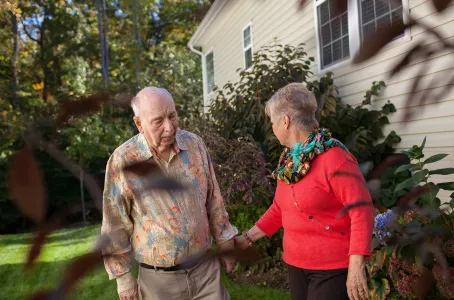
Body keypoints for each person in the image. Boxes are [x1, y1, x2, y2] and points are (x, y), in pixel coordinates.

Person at [234, 83, 374, 300]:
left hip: (332, 268)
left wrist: (356, 266)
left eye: (272, 122)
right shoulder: (291, 161)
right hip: (296, 264)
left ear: (285, 121)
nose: (272, 128)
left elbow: (361, 211)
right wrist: (248, 238)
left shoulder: (335, 157)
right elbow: (280, 209)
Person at [101, 87, 238, 300]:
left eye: (172, 116)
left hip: (206, 272)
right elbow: (114, 223)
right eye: (158, 121)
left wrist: (225, 241)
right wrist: (123, 277)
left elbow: (213, 198)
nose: (169, 127)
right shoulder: (123, 161)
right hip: (159, 283)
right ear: (139, 124)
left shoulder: (194, 145)